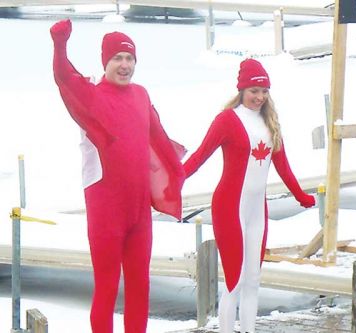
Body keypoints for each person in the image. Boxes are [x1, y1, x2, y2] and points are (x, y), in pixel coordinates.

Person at [50, 19, 185, 333]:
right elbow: (64, 78)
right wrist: (60, 45)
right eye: (117, 58)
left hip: (139, 213)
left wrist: (179, 171)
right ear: (105, 62)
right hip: (106, 212)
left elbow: (159, 138)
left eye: (129, 58)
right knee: (107, 288)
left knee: (140, 287)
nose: (124, 65)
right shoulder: (93, 96)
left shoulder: (140, 94)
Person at [183, 58, 315, 333]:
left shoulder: (270, 123)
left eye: (264, 91)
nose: (259, 97)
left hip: (257, 209)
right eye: (254, 91)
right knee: (235, 278)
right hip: (229, 207)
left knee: (253, 277)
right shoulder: (227, 120)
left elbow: (283, 167)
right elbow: (199, 156)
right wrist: (173, 181)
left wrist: (301, 196)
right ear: (242, 90)